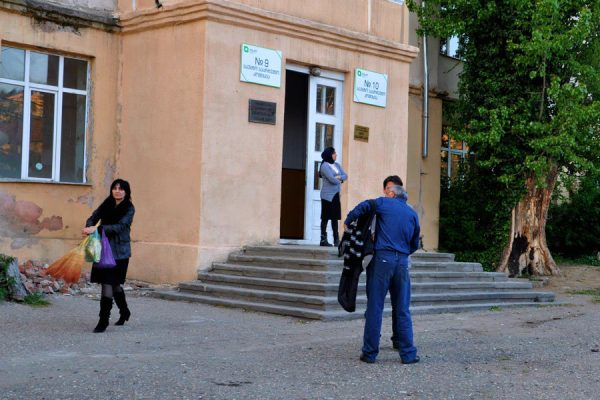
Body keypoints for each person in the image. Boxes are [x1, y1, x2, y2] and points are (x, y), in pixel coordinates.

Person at [344, 175, 420, 364]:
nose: (386, 193)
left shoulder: (384, 203)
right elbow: (414, 243)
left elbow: (364, 206)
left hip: (382, 260)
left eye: (388, 191)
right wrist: (402, 254)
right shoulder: (412, 213)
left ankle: (370, 353)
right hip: (402, 262)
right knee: (402, 309)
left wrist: (348, 220)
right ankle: (408, 354)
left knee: (375, 307)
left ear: (392, 194)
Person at [83, 179, 135, 333]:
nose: (117, 191)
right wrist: (89, 226)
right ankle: (124, 311)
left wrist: (97, 229)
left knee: (110, 284)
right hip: (103, 249)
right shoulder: (106, 204)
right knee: (112, 284)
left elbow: (120, 227)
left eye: (121, 189)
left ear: (126, 192)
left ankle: (103, 320)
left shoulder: (129, 208)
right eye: (115, 188)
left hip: (119, 253)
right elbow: (93, 217)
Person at [319, 147, 347, 247]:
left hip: (335, 195)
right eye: (334, 153)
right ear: (329, 155)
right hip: (327, 195)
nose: (336, 155)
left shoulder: (337, 165)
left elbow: (345, 175)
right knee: (325, 217)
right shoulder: (324, 166)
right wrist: (339, 178)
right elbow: (332, 179)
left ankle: (336, 240)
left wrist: (339, 178)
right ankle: (323, 240)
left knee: (335, 218)